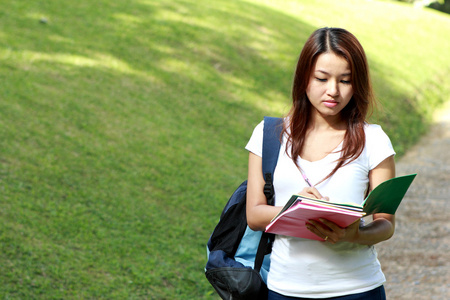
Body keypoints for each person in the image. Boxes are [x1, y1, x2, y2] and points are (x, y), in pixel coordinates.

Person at [245, 27, 396, 300]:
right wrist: (293, 207)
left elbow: (385, 223)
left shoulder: (373, 139)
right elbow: (254, 215)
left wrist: (354, 235)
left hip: (357, 289)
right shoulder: (269, 134)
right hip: (285, 290)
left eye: (345, 80)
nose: (333, 91)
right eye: (322, 78)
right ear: (304, 78)